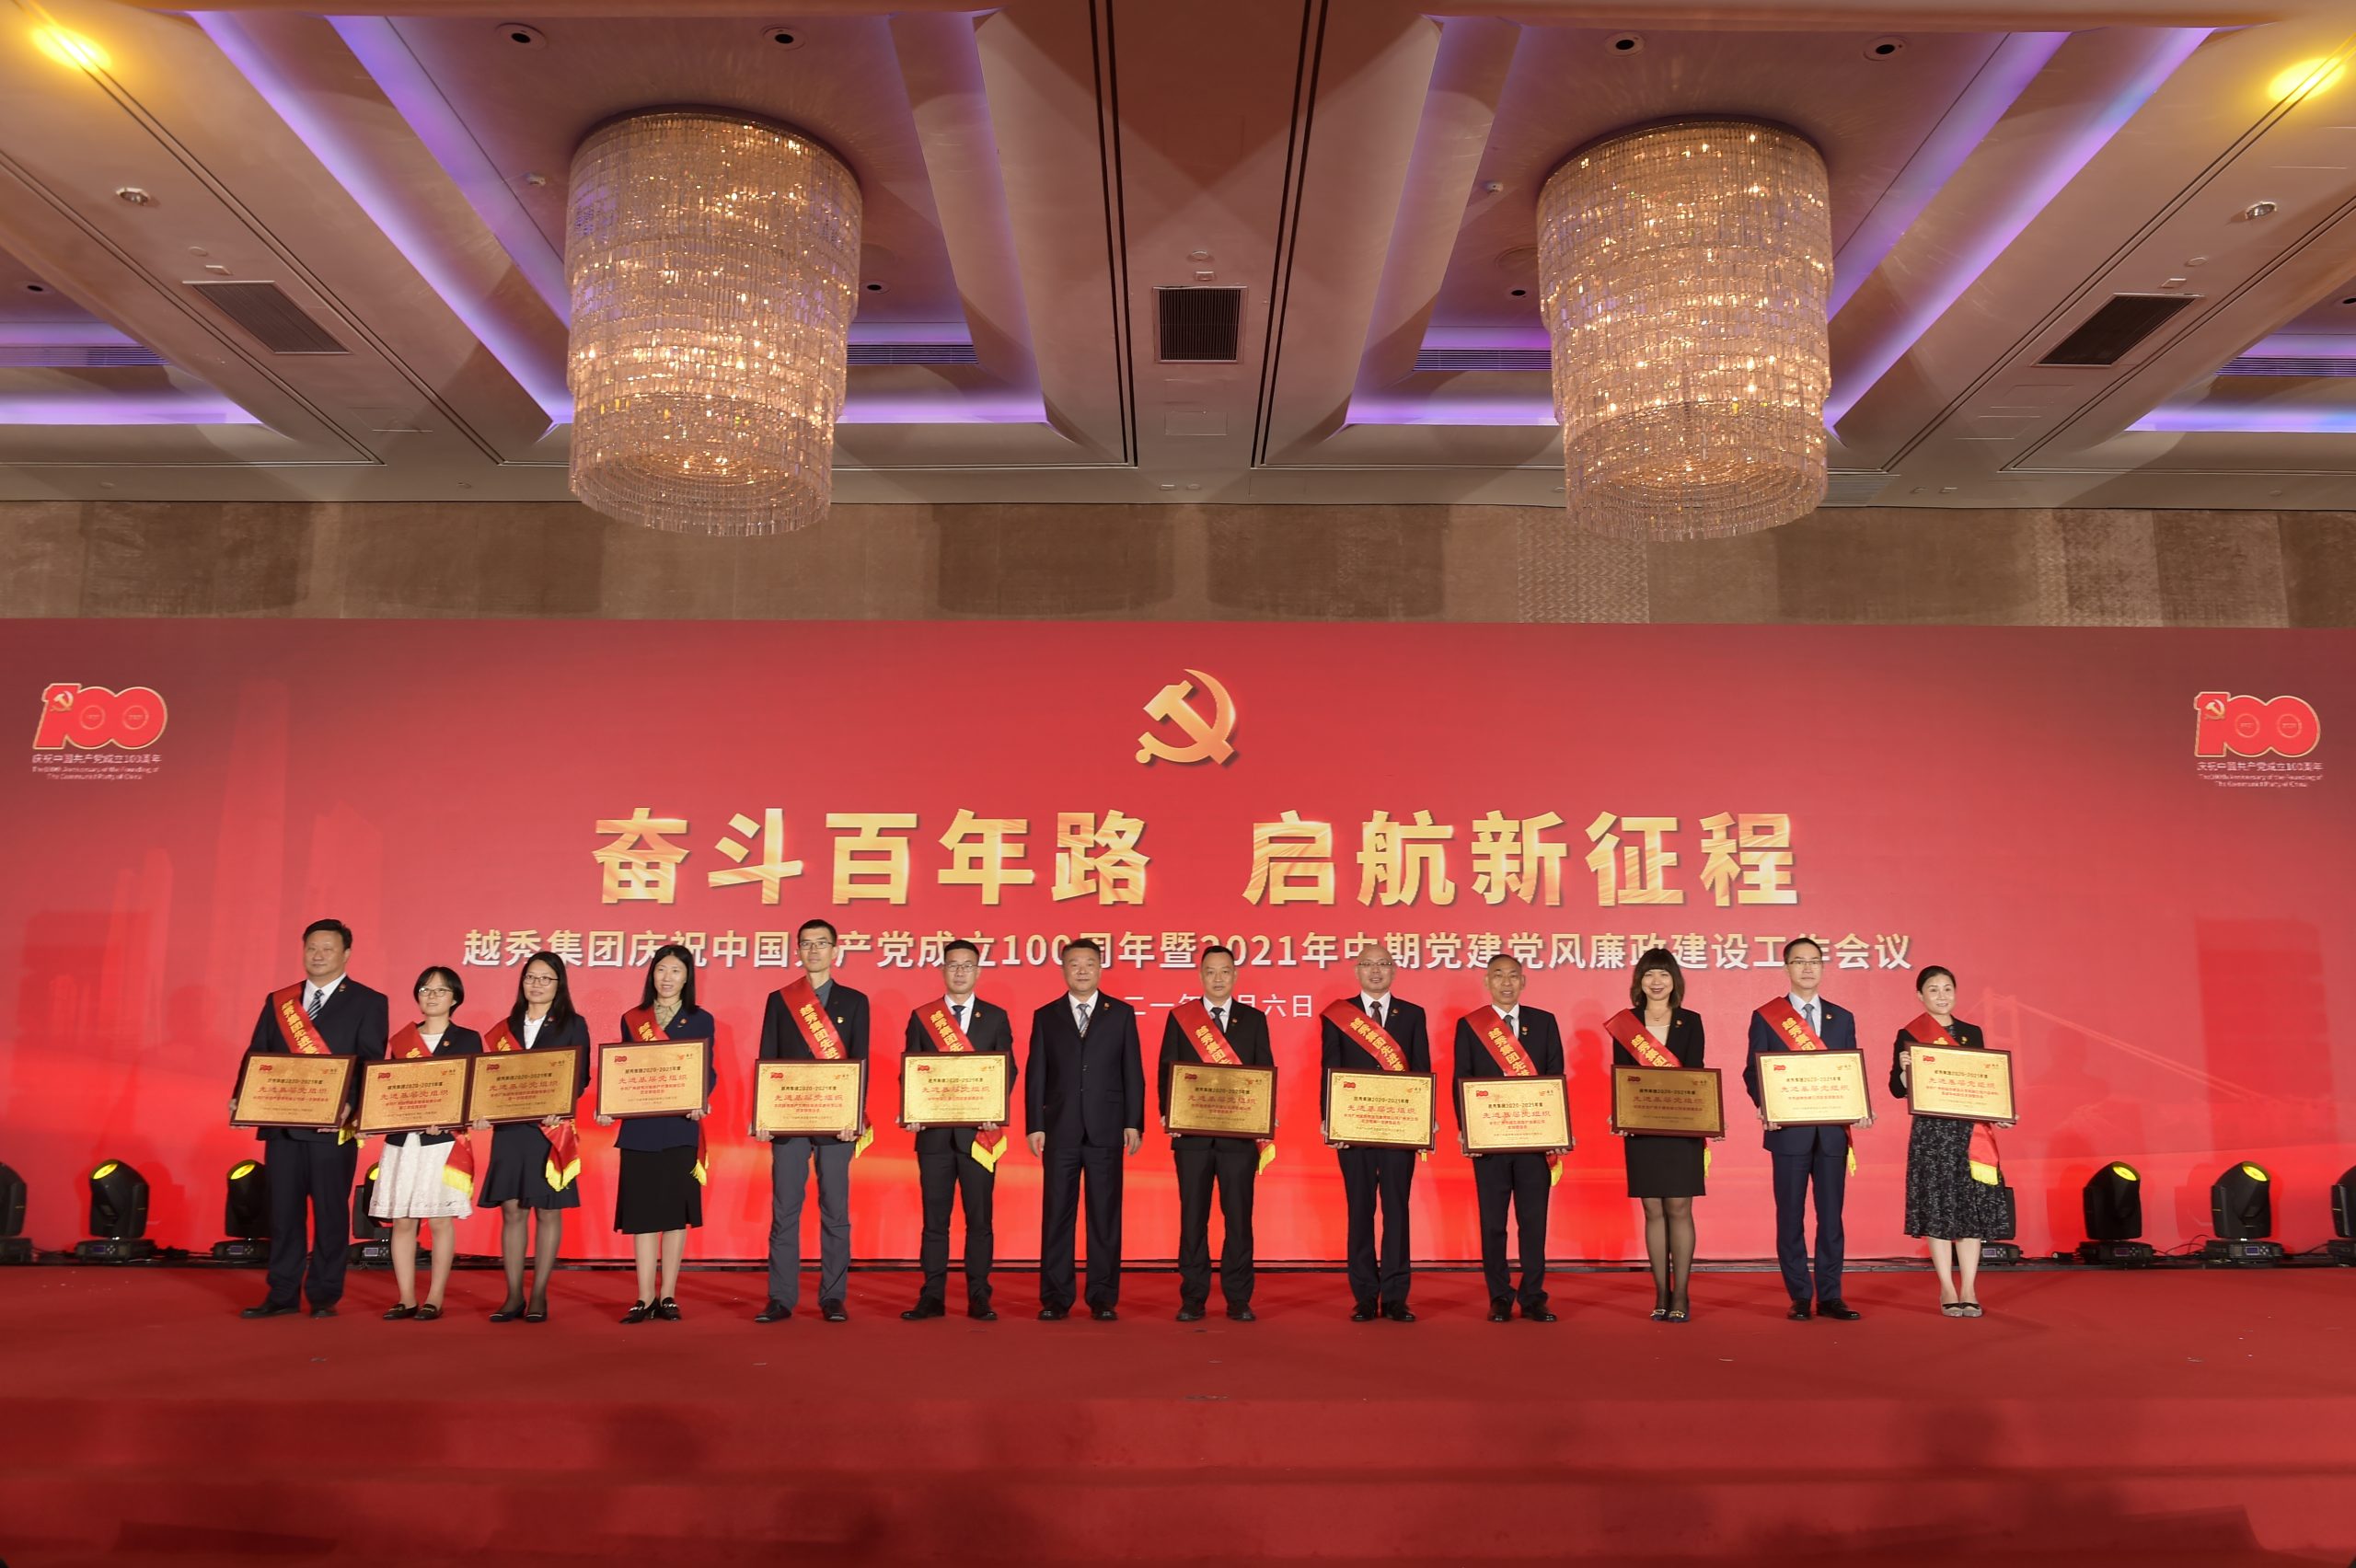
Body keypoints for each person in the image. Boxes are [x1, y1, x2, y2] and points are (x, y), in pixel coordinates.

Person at [234, 918, 388, 1319]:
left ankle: (323, 1295)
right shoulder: (280, 1001)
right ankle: (282, 1294)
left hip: (331, 1129)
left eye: (327, 949)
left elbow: (370, 1062)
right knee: (283, 1214)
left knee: (329, 1214)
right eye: (312, 948)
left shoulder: (369, 1001)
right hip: (282, 1127)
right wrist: (242, 1097)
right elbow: (257, 1053)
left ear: (346, 954)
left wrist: (350, 1105)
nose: (318, 956)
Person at [1744, 937, 1875, 1321]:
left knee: (1831, 1218)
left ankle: (1831, 1296)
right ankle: (1800, 1295)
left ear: (1822, 967)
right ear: (1786, 967)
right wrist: (1766, 1106)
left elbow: (1848, 1071)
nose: (1807, 968)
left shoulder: (1842, 1017)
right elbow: (1753, 1071)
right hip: (1788, 1132)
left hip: (1832, 1133)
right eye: (1799, 961)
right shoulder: (1767, 1016)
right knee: (1790, 1217)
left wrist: (1860, 1107)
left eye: (1814, 961)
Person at [754, 918, 870, 1324]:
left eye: (822, 943)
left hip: (836, 1122)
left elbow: (860, 1060)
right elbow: (768, 1057)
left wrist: (853, 1115)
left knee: (835, 1211)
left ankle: (833, 1296)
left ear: (836, 950)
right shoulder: (780, 1000)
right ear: (798, 951)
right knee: (785, 1210)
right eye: (806, 944)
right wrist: (763, 1114)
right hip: (788, 1121)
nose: (814, 950)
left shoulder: (855, 1001)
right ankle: (780, 1297)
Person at [1025, 940, 1143, 1321]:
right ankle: (1055, 1297)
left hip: (1106, 1127)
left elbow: (1132, 1071)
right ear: (1063, 969)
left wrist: (1133, 1121)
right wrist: (1035, 1124)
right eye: (1074, 963)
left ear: (1100, 968)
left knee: (1104, 1216)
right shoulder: (1046, 1015)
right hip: (1059, 1128)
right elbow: (1036, 1074)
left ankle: (1102, 1297)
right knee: (1057, 1215)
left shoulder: (1120, 1013)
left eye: (1089, 963)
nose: (1081, 970)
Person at [600, 943, 716, 1323]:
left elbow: (706, 1070)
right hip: (640, 1130)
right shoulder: (633, 1018)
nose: (667, 978)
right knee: (643, 1214)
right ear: (652, 974)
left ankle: (668, 1295)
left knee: (674, 1215)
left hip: (680, 1126)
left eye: (676, 971)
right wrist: (610, 1104)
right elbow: (623, 1070)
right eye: (661, 970)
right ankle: (644, 1296)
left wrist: (700, 1098)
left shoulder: (700, 1019)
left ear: (687, 978)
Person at [1157, 945, 1274, 1322]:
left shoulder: (1254, 1020)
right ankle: (1193, 1296)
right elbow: (1167, 1069)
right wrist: (1169, 1113)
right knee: (1193, 1219)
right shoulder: (1181, 1017)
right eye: (1210, 971)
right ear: (1200, 976)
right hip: (1192, 1140)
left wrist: (1263, 1117)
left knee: (1239, 1219)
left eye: (1225, 971)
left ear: (1235, 975)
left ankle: (1238, 1297)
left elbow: (1263, 1072)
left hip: (1238, 1140)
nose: (1218, 978)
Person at [1891, 965, 2015, 1318]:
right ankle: (1947, 1287)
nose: (1942, 995)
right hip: (1931, 1133)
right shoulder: (1909, 1033)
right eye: (1933, 989)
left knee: (1970, 1207)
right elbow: (1897, 1088)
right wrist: (1904, 1069)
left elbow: (1984, 1082)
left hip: (1969, 1132)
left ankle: (1970, 1288)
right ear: (1920, 995)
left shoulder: (1972, 1033)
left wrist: (2000, 1112)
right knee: (1939, 1207)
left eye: (1947, 988)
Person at [474, 951, 590, 1323]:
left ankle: (539, 1294)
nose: (536, 984)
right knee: (512, 1210)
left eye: (545, 978)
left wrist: (561, 1105)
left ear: (559, 985)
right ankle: (512, 1295)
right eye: (530, 977)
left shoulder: (573, 1024)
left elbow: (581, 1076)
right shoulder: (505, 1028)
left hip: (549, 1129)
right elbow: (491, 1080)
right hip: (510, 1130)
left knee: (548, 1209)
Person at [902, 940, 1015, 1321]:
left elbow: (1008, 1069)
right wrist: (912, 1109)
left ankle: (979, 1296)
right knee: (935, 1221)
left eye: (967, 965)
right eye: (953, 965)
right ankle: (932, 1296)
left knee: (979, 1221)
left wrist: (995, 1109)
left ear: (978, 971)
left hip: (979, 1136)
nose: (960, 971)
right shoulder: (923, 1017)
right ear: (943, 970)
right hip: (933, 1136)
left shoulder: (995, 1017)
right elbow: (911, 1069)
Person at [1451, 954, 1568, 1323]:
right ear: (1487, 982)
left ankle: (1533, 1297)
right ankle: (1499, 1296)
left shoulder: (1544, 1022)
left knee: (1533, 1221)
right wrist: (1467, 1130)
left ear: (1523, 982)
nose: (1506, 982)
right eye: (1498, 976)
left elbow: (1555, 1076)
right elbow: (1461, 1079)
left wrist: (1558, 1129)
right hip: (1490, 1141)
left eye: (1513, 976)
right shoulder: (1471, 1026)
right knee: (1493, 1223)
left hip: (1534, 1140)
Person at [1320, 941, 1431, 1322]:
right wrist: (1330, 1119)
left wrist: (1424, 1119)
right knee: (1360, 1209)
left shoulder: (1412, 1014)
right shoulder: (1339, 1015)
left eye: (1383, 963)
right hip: (1353, 1128)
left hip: (1400, 1129)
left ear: (1394, 970)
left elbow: (1421, 1069)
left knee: (1397, 1210)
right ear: (1357, 970)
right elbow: (1329, 1068)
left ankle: (1396, 1296)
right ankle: (1365, 1295)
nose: (1376, 970)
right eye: (1369, 964)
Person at [1607, 947, 1708, 1322]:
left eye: (1664, 974)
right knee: (1652, 1209)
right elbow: (1621, 1074)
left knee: (1679, 1207)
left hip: (1681, 1128)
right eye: (1649, 974)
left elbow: (1697, 1073)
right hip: (1643, 1127)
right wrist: (1619, 1111)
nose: (1656, 981)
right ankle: (1661, 1293)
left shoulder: (1691, 1021)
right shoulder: (1626, 1024)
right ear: (1640, 981)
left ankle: (1681, 1294)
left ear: (1674, 980)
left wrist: (1709, 1117)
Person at [373, 966, 479, 1321]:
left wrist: (450, 1117)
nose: (432, 996)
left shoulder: (467, 1039)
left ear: (455, 998)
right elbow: (390, 1089)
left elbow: (471, 1089)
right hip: (403, 1142)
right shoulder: (401, 1041)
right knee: (403, 1221)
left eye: (441, 990)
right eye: (425, 990)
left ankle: (435, 1297)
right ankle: (406, 1298)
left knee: (438, 1221)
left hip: (442, 1144)